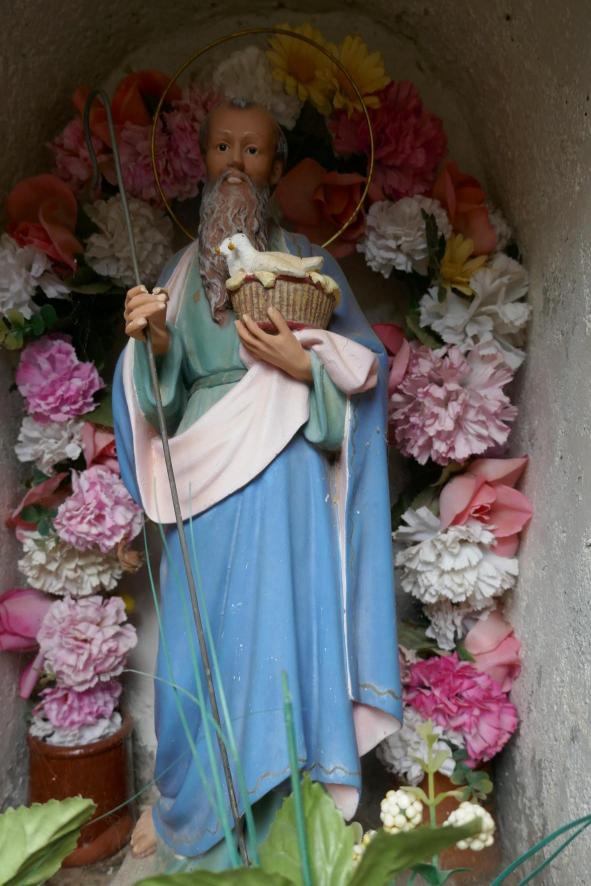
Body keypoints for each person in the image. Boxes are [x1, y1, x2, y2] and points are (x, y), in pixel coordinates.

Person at [112, 99, 401, 865]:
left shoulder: (312, 267)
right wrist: (153, 344)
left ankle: (288, 805)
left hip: (290, 478)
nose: (235, 164)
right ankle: (189, 804)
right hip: (202, 478)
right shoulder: (178, 275)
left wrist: (306, 367)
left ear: (276, 165)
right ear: (202, 159)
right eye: (222, 147)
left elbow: (365, 380)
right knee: (196, 642)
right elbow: (156, 403)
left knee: (285, 631)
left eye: (252, 150)